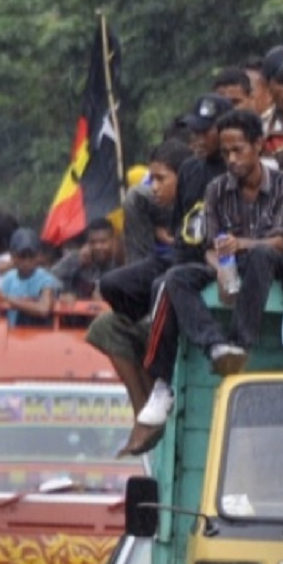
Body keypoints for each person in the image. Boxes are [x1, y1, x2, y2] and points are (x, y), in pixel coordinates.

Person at [128, 111, 283, 453]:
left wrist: (241, 247)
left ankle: (240, 340)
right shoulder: (216, 188)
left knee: (265, 257)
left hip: (266, 258)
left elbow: (281, 239)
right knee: (175, 277)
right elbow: (209, 244)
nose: (232, 159)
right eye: (226, 153)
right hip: (224, 260)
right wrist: (221, 264)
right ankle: (216, 345)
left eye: (238, 150)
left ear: (257, 146)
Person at [92, 140, 191, 426]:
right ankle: (144, 406)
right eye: (152, 178)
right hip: (162, 262)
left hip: (187, 266)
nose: (154, 186)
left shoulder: (206, 194)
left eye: (160, 179)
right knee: (111, 285)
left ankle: (159, 391)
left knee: (163, 284)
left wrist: (174, 240)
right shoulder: (147, 203)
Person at [0, 227, 61, 324]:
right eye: (22, 256)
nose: (26, 262)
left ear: (39, 255)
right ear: (12, 256)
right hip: (11, 334)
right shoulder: (9, 278)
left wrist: (8, 299)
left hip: (38, 335)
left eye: (31, 256)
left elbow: (43, 309)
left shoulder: (46, 279)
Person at [53, 218, 121, 299]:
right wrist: (64, 293)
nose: (98, 247)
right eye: (93, 242)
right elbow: (50, 279)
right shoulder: (75, 258)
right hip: (77, 309)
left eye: (103, 241)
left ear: (113, 240)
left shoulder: (121, 260)